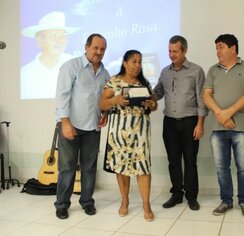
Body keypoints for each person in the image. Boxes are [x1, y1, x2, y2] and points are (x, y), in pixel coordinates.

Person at [54, 33, 110, 220]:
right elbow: (62, 96)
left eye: (102, 49)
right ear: (86, 47)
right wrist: (65, 123)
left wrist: (105, 114)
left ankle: (87, 202)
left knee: (89, 167)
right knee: (67, 167)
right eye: (95, 47)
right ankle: (62, 204)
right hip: (71, 125)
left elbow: (105, 99)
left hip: (93, 128)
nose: (99, 52)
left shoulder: (105, 73)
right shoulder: (71, 66)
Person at [99, 50, 157, 222]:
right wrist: (115, 100)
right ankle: (124, 201)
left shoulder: (144, 83)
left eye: (140, 62)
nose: (138, 65)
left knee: (143, 168)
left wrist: (151, 103)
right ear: (124, 63)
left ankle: (146, 205)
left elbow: (154, 106)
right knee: (122, 168)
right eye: (134, 61)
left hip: (140, 133)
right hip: (119, 133)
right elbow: (102, 103)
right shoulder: (114, 82)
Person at [203, 34, 244, 218]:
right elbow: (206, 96)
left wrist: (229, 112)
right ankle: (226, 201)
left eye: (221, 47)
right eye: (216, 47)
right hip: (218, 129)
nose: (217, 51)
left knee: (243, 167)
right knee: (221, 167)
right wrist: (221, 114)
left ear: (233, 48)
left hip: (241, 128)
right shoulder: (213, 70)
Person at [153, 35, 207, 211]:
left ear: (185, 51)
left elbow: (201, 99)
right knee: (173, 161)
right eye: (169, 51)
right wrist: (142, 96)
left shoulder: (196, 71)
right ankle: (177, 194)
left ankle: (191, 196)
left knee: (190, 161)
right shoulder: (164, 72)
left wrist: (200, 124)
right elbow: (158, 93)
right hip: (169, 122)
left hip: (190, 122)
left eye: (175, 51)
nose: (171, 54)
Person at [21, 11, 80, 99]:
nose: (60, 41)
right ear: (39, 41)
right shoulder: (25, 73)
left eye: (63, 36)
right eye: (54, 36)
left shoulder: (77, 66)